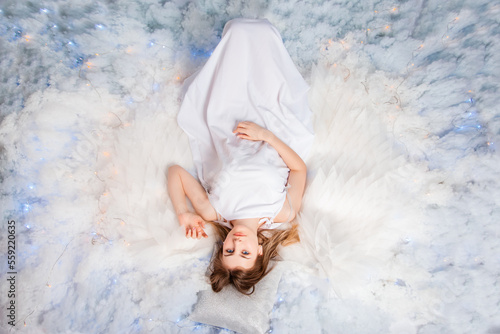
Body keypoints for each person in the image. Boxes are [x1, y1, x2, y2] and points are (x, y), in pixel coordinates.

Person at [167, 18, 314, 295]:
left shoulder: (214, 211)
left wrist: (183, 213)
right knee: (262, 38)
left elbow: (175, 172)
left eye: (229, 250)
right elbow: (299, 170)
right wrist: (267, 136)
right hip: (271, 128)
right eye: (244, 253)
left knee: (238, 32)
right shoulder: (281, 212)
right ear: (259, 251)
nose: (237, 243)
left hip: (227, 124)